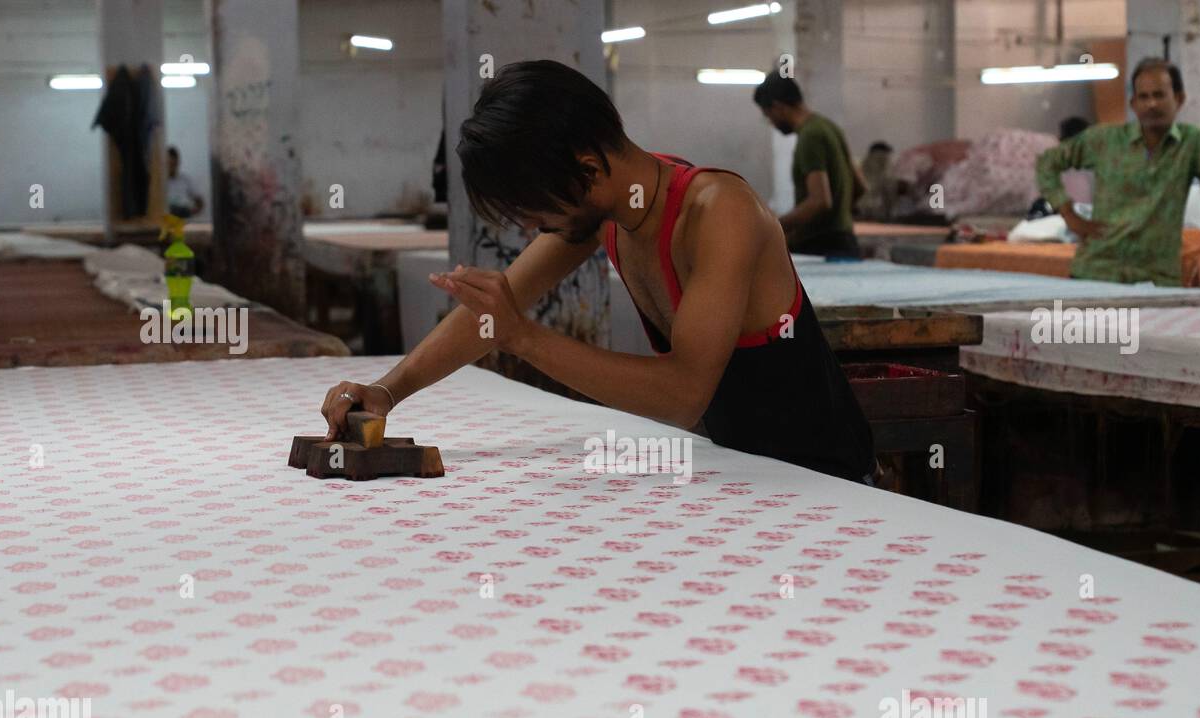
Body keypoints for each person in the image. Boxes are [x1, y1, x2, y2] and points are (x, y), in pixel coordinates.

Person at [319, 60, 875, 485]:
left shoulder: (719, 213)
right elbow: (492, 312)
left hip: (827, 479)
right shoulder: (605, 209)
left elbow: (682, 396)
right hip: (742, 473)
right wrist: (387, 391)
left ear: (586, 171)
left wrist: (523, 337)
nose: (536, 226)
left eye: (537, 210)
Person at [1034, 58, 1200, 286]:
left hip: (1157, 278)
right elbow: (1047, 163)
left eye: (1159, 95)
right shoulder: (1105, 140)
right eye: (1143, 97)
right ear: (1133, 103)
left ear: (1179, 98)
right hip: (1098, 271)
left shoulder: (1193, 143)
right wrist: (1069, 214)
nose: (1151, 104)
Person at [752, 72, 864, 257]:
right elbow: (860, 186)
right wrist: (839, 215)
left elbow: (820, 201)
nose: (771, 123)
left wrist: (773, 227)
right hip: (845, 242)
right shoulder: (829, 127)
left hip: (820, 246)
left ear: (778, 107)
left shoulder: (810, 136)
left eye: (768, 115)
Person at [856, 141, 899, 221]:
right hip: (879, 211)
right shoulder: (885, 162)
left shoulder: (862, 163)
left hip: (859, 209)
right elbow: (889, 188)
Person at [166, 146, 204, 218]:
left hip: (182, 220)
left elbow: (200, 201)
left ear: (178, 162)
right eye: (168, 164)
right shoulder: (158, 183)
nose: (171, 167)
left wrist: (190, 213)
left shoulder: (185, 180)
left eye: (173, 164)